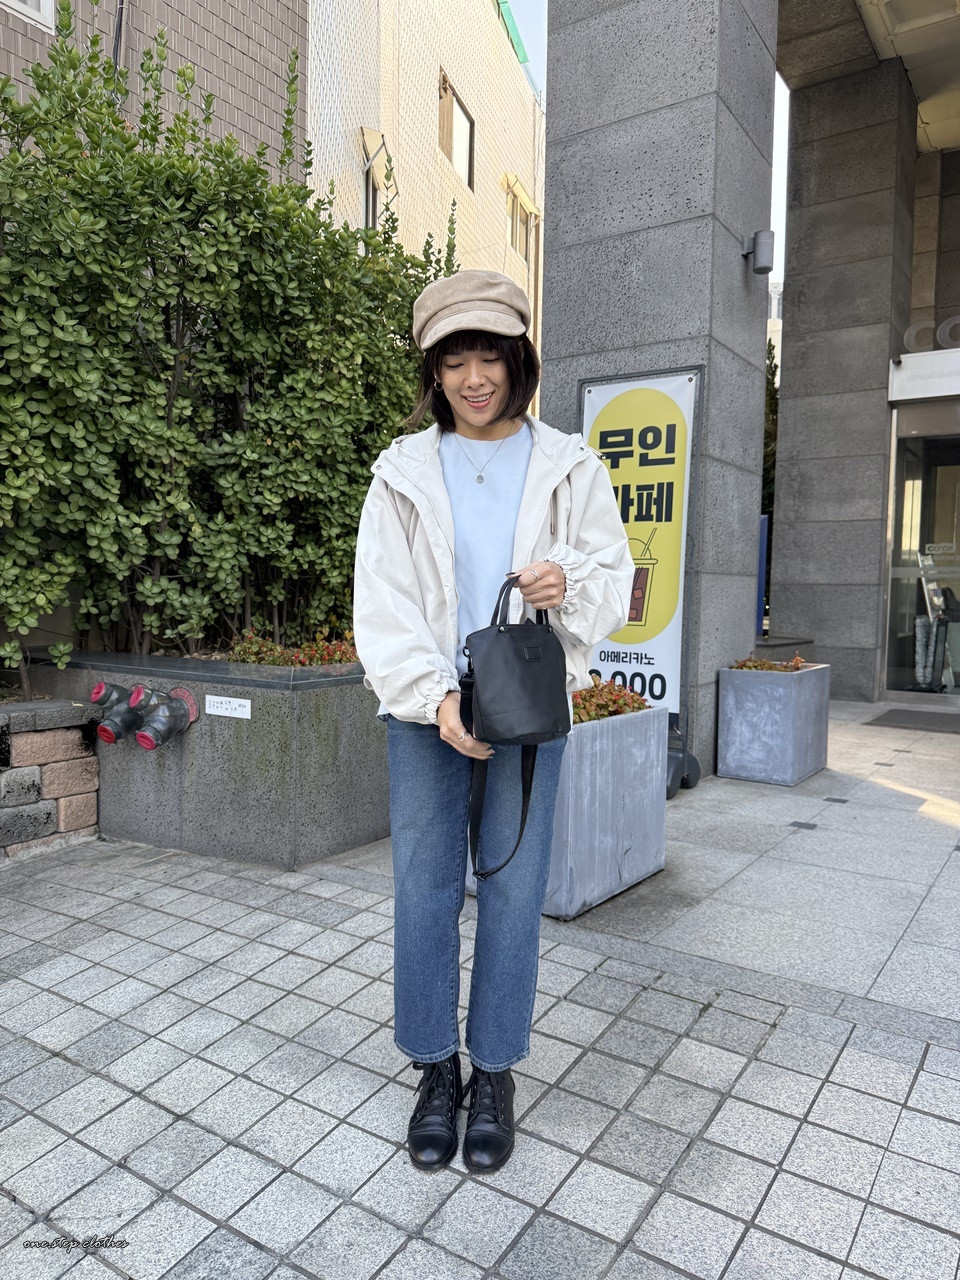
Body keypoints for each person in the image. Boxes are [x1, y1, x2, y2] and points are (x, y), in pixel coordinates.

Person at [353, 269, 632, 1174]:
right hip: (423, 708)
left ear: (519, 362)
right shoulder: (402, 471)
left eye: (490, 358)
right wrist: (433, 697)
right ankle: (437, 1069)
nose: (474, 379)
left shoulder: (568, 465)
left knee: (513, 891)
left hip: (527, 705)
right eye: (454, 361)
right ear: (433, 373)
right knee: (424, 887)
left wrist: (567, 582)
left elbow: (613, 578)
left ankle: (497, 1072)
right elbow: (382, 601)